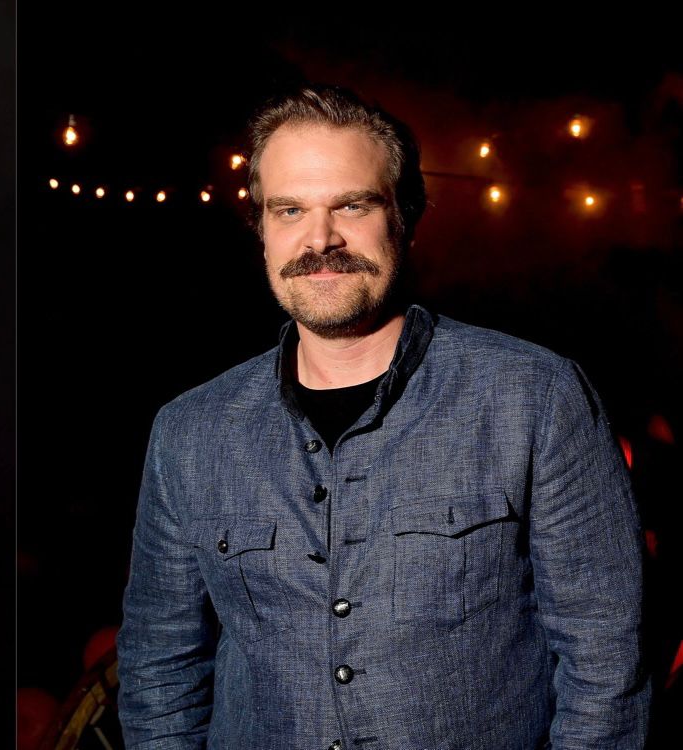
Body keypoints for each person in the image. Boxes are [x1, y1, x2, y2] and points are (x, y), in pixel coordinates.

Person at [116, 85, 650, 749]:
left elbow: (608, 662)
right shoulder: (189, 432)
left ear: (406, 216)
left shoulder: (535, 398)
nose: (320, 238)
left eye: (352, 204)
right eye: (289, 209)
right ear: (261, 230)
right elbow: (159, 669)